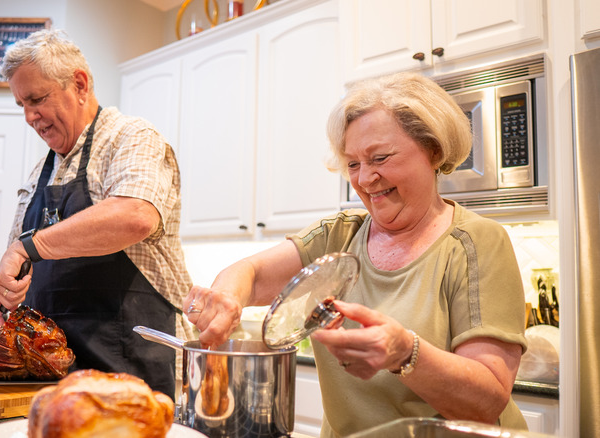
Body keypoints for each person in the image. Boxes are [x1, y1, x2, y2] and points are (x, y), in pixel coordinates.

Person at [184, 71, 528, 435]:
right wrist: (224, 299)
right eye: (352, 164)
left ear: (433, 151)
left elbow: (486, 401)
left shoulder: (476, 243)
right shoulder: (339, 235)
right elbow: (250, 275)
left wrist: (404, 353)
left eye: (380, 158)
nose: (365, 179)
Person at [0, 29, 192, 398]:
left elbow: (135, 215)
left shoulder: (132, 137)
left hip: (130, 368)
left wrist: (25, 247)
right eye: (22, 106)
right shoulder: (39, 173)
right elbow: (19, 267)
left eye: (37, 99)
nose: (30, 116)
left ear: (79, 84)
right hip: (53, 379)